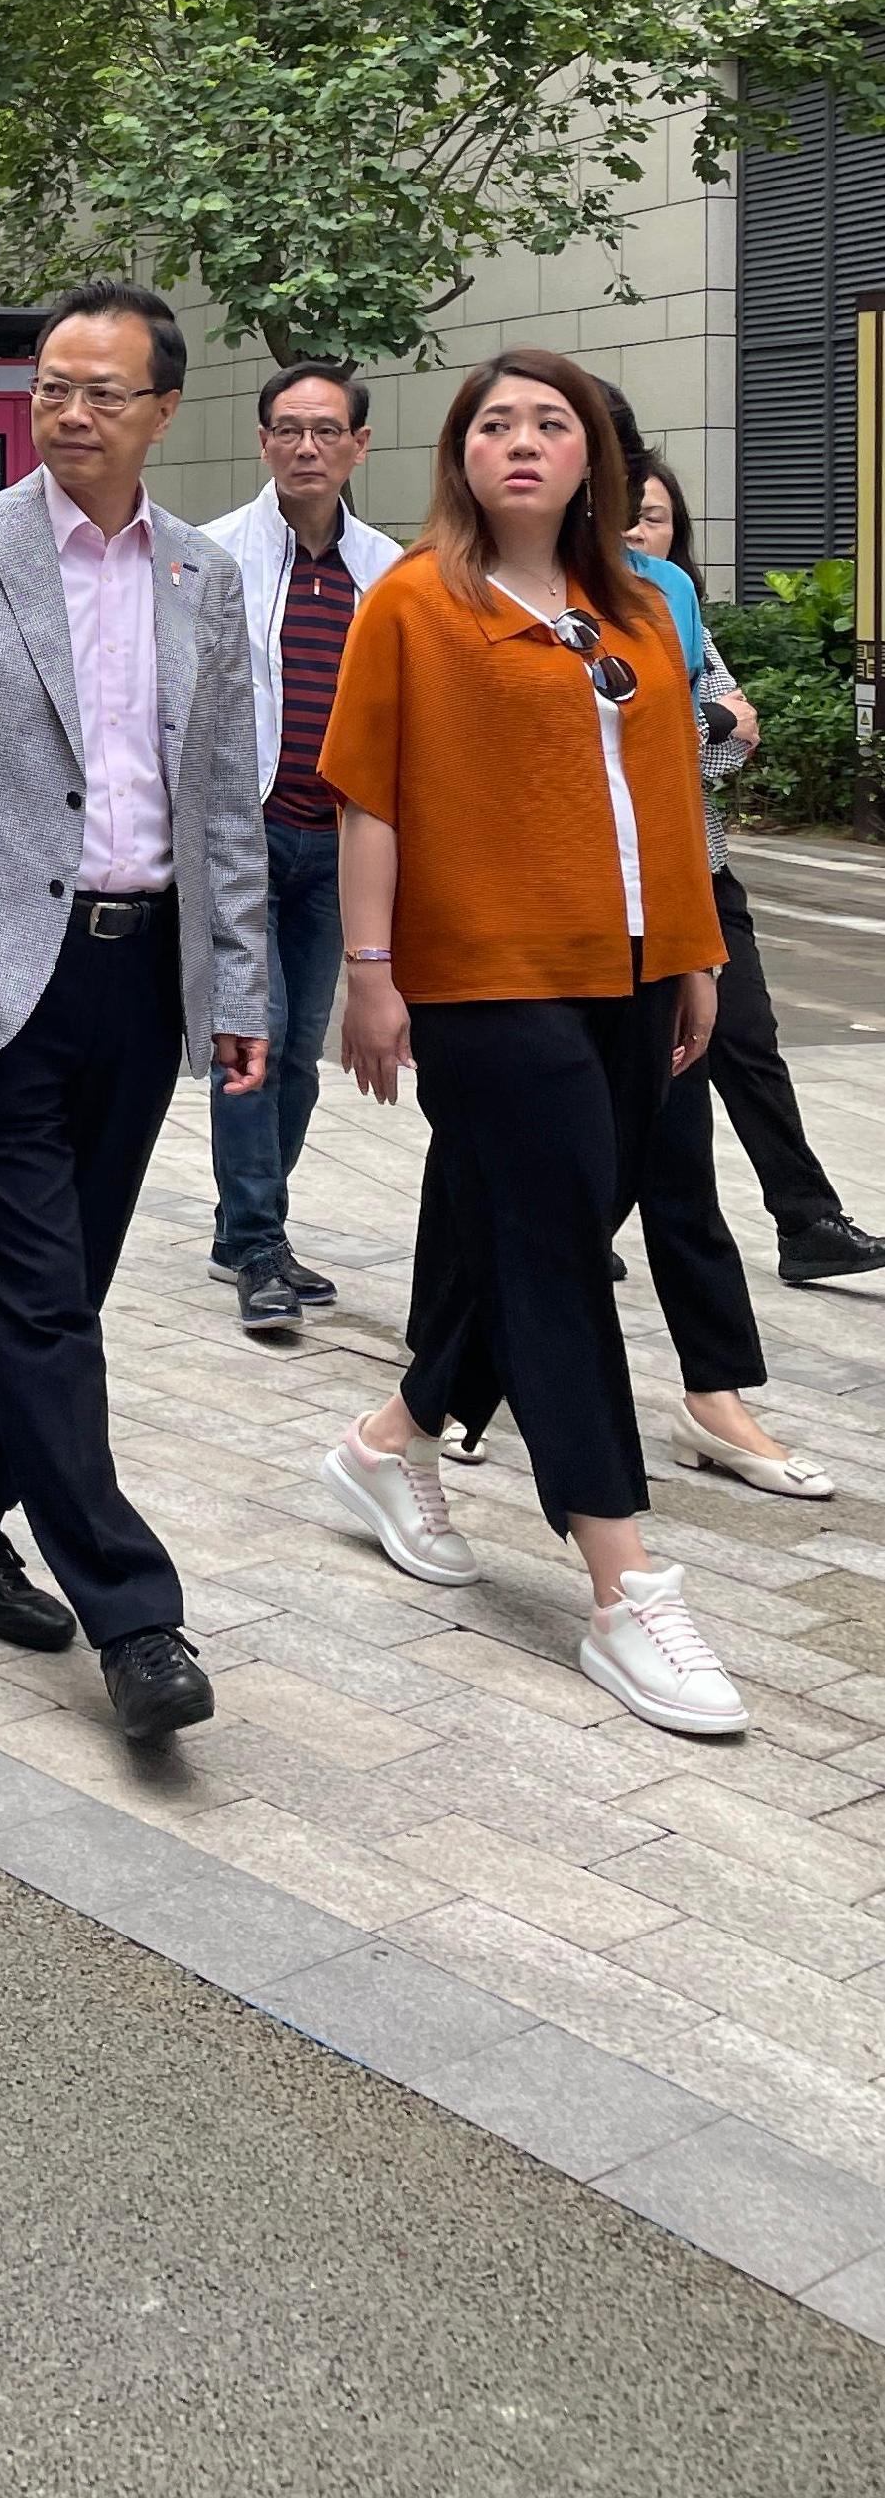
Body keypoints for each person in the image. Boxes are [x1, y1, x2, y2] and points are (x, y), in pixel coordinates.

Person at [0, 280, 269, 1746]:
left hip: (140, 981)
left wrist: (240, 989)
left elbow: (224, 805)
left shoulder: (206, 578)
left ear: (160, 411)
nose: (70, 411)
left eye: (102, 391)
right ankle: (135, 1615)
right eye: (52, 387)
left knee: (51, 1295)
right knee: (40, 1301)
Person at [316, 350, 751, 1738]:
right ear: (458, 454)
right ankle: (624, 1586)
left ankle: (392, 1437)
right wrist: (369, 974)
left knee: (529, 1220)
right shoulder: (413, 606)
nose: (520, 442)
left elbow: (668, 800)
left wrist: (695, 954)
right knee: (564, 1251)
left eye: (549, 424)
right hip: (485, 980)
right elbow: (367, 802)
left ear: (590, 460)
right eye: (493, 423)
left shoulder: (633, 605)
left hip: (628, 973)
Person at [631, 450, 885, 1294]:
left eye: (656, 515)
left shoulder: (682, 612)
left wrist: (701, 723)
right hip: (624, 886)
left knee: (746, 1041)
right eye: (625, 512)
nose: (639, 528)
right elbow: (656, 743)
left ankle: (805, 1220)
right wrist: (701, 721)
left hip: (705, 871)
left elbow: (734, 744)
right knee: (642, 1072)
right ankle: (567, 1228)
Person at [200, 360, 402, 1338]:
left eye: (327, 430)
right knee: (255, 1040)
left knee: (304, 1059)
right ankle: (260, 1245)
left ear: (359, 443)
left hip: (345, 848)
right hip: (245, 839)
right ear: (264, 439)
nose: (306, 446)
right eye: (288, 428)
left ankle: (244, 1230)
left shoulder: (390, 571)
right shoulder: (215, 556)